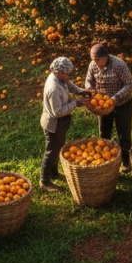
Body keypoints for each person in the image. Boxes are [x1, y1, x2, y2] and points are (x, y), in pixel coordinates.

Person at [40, 57, 91, 192]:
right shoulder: (54, 88)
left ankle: (54, 173)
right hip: (54, 124)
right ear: (58, 72)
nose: (69, 76)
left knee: (58, 147)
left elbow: (68, 84)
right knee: (51, 151)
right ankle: (44, 181)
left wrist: (80, 91)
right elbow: (57, 112)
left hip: (60, 122)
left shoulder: (60, 78)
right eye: (67, 73)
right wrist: (76, 103)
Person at [85, 43, 132, 173]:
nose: (95, 63)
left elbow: (130, 85)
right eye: (93, 60)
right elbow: (88, 81)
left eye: (98, 60)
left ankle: (125, 162)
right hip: (103, 106)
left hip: (122, 103)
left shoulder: (119, 65)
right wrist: (90, 90)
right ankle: (105, 161)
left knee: (124, 133)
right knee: (104, 133)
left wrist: (115, 98)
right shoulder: (93, 65)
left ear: (106, 56)